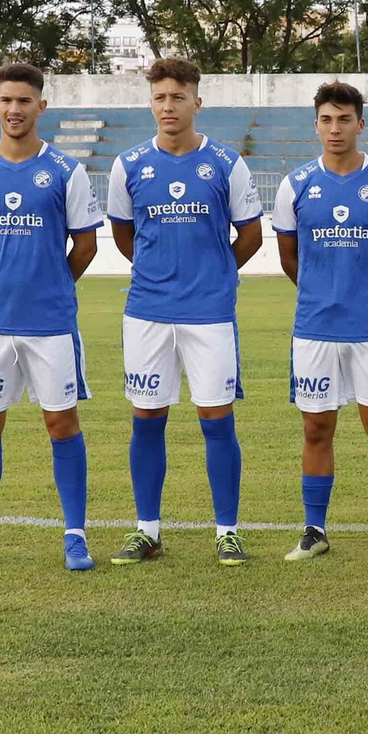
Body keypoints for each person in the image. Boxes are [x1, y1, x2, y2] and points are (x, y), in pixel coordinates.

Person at [0, 64, 103, 572]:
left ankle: (75, 537)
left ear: (41, 107)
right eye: (6, 100)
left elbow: (87, 245)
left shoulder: (66, 171)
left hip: (50, 323)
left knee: (61, 422)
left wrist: (48, 285)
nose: (15, 109)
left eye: (25, 101)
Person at [106, 58, 264, 567]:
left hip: (210, 314)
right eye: (160, 97)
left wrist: (216, 274)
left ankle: (227, 532)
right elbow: (125, 237)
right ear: (150, 103)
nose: (168, 105)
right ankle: (147, 530)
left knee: (217, 420)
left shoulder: (225, 163)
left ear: (197, 101)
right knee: (146, 419)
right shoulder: (129, 165)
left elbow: (252, 234)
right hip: (148, 312)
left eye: (178, 96)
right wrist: (161, 273)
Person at [271, 82, 368, 562]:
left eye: (345, 119)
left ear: (360, 124)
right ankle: (315, 529)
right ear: (315, 124)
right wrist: (323, 290)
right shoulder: (294, 185)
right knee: (316, 429)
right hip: (314, 328)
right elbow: (290, 257)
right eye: (327, 120)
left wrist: (360, 289)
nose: (336, 129)